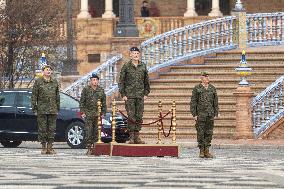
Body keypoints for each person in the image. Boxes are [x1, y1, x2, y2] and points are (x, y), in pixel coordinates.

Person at [119, 47, 150, 144]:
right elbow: (121, 81)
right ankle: (131, 136)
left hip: (140, 96)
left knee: (139, 116)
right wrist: (123, 94)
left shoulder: (143, 66)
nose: (136, 55)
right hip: (130, 96)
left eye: (137, 53)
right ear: (130, 55)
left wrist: (146, 93)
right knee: (131, 116)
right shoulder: (126, 66)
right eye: (134, 53)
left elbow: (146, 81)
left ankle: (137, 136)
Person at [31, 65, 60, 155]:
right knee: (42, 129)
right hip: (42, 109)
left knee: (51, 129)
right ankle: (43, 147)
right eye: (46, 70)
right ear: (43, 72)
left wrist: (58, 108)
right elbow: (34, 96)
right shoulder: (38, 82)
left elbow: (57, 96)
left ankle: (50, 147)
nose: (48, 71)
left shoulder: (54, 82)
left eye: (50, 70)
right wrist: (34, 108)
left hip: (52, 109)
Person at [190, 71, 218, 158]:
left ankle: (207, 150)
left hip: (210, 114)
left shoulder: (212, 88)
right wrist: (194, 114)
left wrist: (216, 112)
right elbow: (193, 102)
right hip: (200, 114)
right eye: (206, 77)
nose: (207, 78)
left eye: (208, 77)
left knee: (209, 132)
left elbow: (215, 102)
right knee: (200, 132)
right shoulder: (197, 88)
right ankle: (201, 150)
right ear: (202, 78)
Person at [80, 73, 106, 155]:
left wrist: (103, 112)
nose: (95, 81)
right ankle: (89, 147)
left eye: (96, 80)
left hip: (97, 114)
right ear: (90, 81)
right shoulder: (86, 89)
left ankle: (95, 148)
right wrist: (83, 112)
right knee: (88, 131)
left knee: (96, 132)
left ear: (98, 81)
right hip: (88, 113)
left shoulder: (101, 90)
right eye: (93, 80)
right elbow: (82, 101)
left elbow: (104, 102)